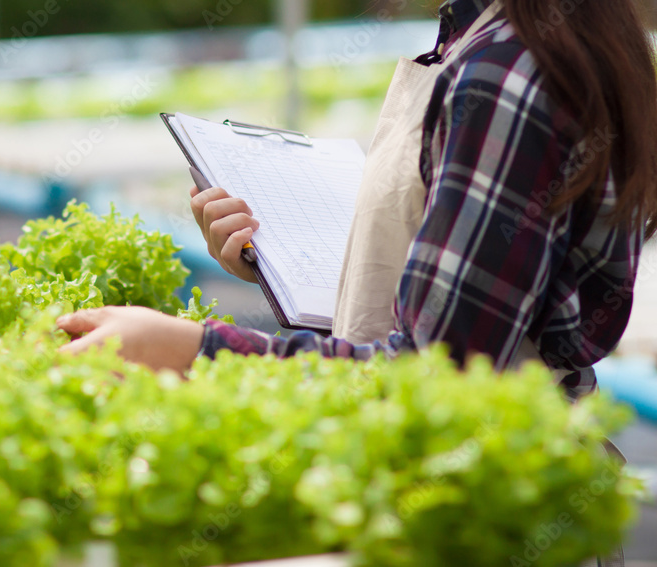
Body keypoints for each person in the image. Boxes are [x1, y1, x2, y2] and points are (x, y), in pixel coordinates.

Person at [56, 0, 657, 401]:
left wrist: (195, 349)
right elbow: (463, 286)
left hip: (479, 498)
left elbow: (434, 378)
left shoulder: (505, 78)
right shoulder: (495, 38)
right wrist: (279, 256)